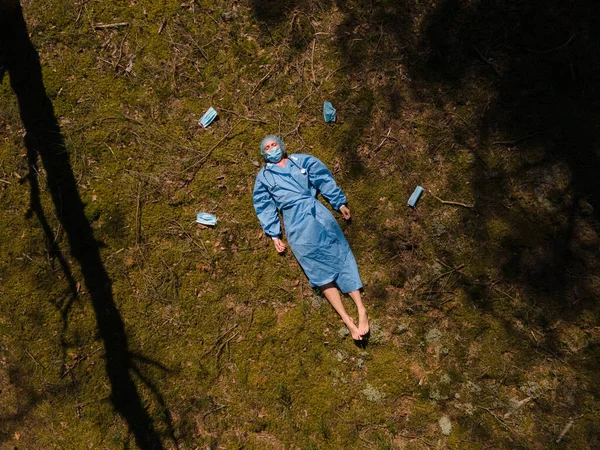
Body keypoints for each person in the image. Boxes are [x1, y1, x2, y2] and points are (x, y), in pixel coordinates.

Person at [252, 135, 369, 340]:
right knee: (317, 270)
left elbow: (323, 180)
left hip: (317, 214)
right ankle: (346, 319)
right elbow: (264, 205)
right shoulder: (264, 177)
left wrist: (339, 203)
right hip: (295, 224)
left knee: (339, 255)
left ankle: (360, 308)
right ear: (263, 153)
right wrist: (274, 235)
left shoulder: (302, 161)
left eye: (274, 144)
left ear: (282, 146)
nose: (272, 149)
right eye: (267, 147)